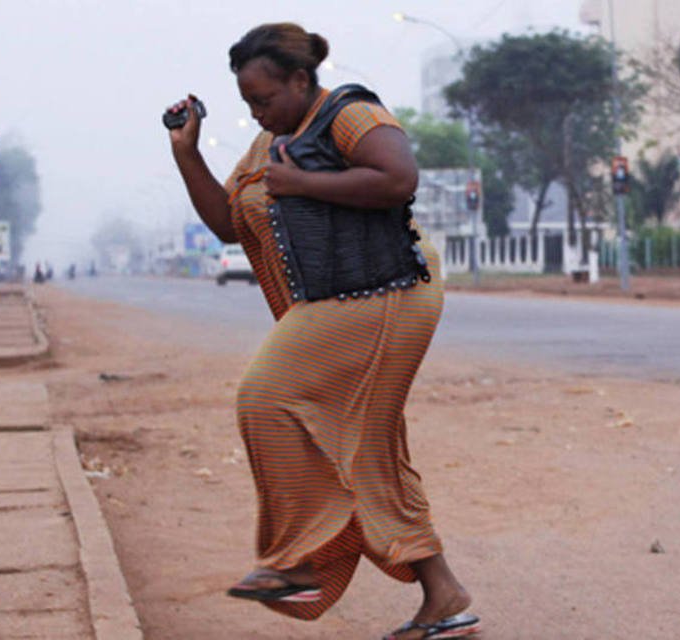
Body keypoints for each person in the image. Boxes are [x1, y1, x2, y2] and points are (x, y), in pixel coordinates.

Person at [168, 22, 479, 639]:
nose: (258, 113)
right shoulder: (268, 144)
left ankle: (300, 562)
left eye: (264, 98)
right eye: (248, 103)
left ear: (301, 79)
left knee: (266, 397)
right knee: (368, 451)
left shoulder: (350, 113)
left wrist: (305, 182)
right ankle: (443, 594)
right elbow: (231, 225)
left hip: (389, 291)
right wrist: (187, 152)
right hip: (342, 300)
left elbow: (398, 178)